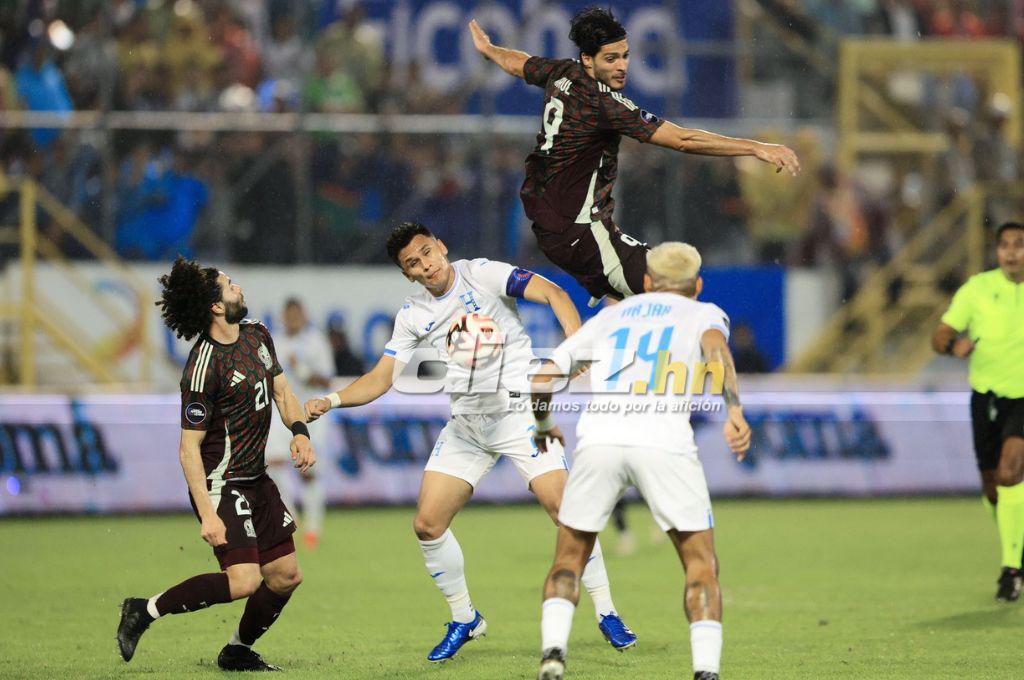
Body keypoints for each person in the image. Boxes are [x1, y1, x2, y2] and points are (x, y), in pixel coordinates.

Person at [305, 221, 636, 662]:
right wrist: (330, 400)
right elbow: (381, 378)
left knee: (567, 512)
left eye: (427, 252)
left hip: (520, 415)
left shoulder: (482, 273)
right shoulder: (413, 313)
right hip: (468, 426)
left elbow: (554, 294)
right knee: (427, 524)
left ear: (441, 246)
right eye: (413, 263)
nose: (425, 265)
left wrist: (576, 347)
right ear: (407, 274)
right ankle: (466, 618)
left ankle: (607, 612)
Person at [468, 9, 799, 304]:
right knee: (673, 290)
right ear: (588, 59)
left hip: (551, 229)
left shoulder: (561, 73)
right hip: (582, 232)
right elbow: (683, 139)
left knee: (627, 303)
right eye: (611, 59)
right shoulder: (606, 104)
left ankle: (616, 363)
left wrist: (489, 51)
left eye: (625, 55)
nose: (622, 66)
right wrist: (757, 148)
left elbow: (518, 62)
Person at [531, 242, 751, 680]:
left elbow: (541, 380)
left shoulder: (609, 317)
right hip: (663, 442)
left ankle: (553, 653)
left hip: (600, 441)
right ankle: (705, 672)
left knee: (569, 558)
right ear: (697, 285)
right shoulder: (703, 313)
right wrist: (734, 411)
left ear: (647, 282)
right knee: (700, 564)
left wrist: (542, 426)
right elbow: (715, 352)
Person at [116, 257, 316, 671]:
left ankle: (237, 650)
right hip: (222, 482)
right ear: (215, 306)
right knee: (245, 580)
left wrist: (299, 431)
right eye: (231, 285)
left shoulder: (258, 334)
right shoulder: (203, 366)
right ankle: (144, 609)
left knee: (285, 576)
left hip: (256, 478)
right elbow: (188, 449)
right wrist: (208, 514)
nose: (239, 288)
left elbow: (282, 391)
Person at [932, 221, 1024, 602]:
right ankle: (1015, 543)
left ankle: (1011, 569)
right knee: (992, 485)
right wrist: (953, 345)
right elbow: (939, 334)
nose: (1011, 251)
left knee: (1010, 471)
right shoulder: (978, 289)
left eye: (1019, 244)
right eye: (1004, 245)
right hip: (986, 397)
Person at [266, 298, 334, 550]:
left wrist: (302, 370)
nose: (293, 319)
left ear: (304, 316)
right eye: (289, 315)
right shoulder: (274, 341)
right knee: (272, 464)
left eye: (297, 315)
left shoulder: (316, 342)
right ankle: (290, 517)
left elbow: (327, 382)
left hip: (310, 413)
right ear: (283, 316)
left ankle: (313, 528)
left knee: (309, 472)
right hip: (281, 412)